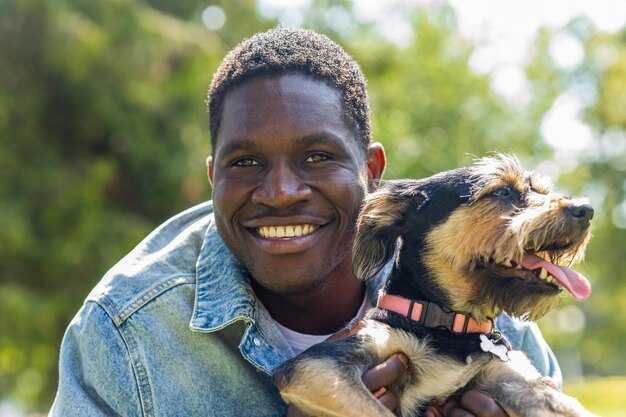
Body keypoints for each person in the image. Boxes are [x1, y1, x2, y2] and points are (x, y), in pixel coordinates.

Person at [49, 27, 561, 417]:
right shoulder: (124, 330)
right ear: (213, 177)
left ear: (372, 172)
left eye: (316, 156)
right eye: (244, 163)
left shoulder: (479, 283)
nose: (279, 193)